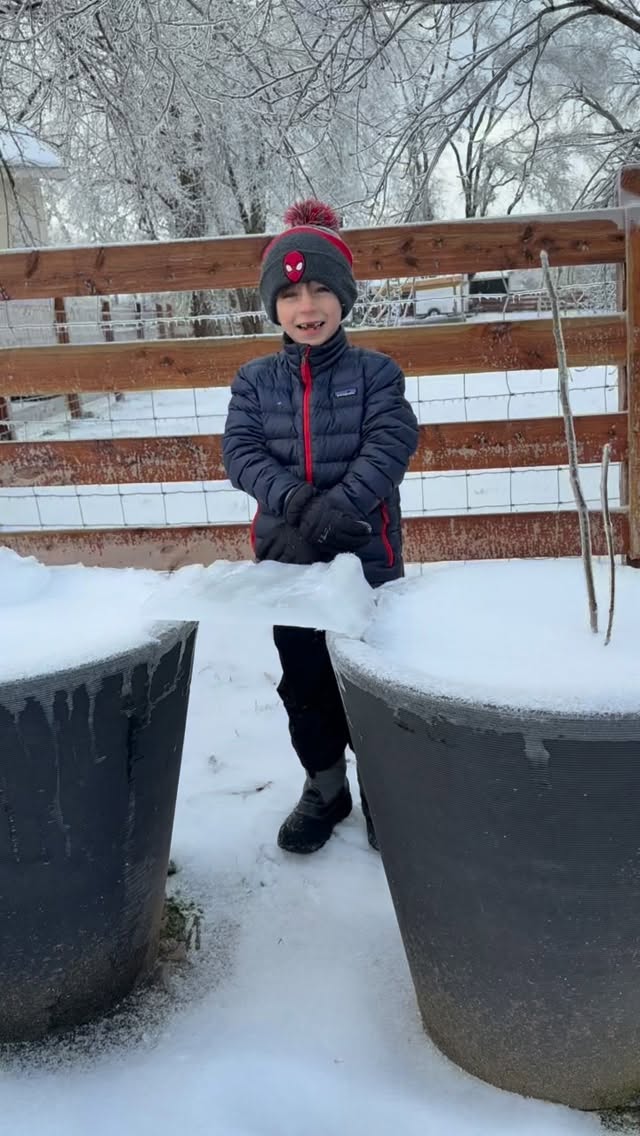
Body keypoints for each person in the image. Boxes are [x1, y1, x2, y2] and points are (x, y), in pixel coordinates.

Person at [223, 199, 419, 855]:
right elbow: (242, 454)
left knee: (370, 684)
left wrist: (344, 508)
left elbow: (390, 445)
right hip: (289, 570)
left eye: (320, 290)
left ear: (344, 297)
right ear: (273, 306)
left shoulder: (376, 374)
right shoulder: (253, 383)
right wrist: (304, 508)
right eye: (291, 293)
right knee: (305, 684)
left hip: (368, 564)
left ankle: (386, 791)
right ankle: (325, 787)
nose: (307, 307)